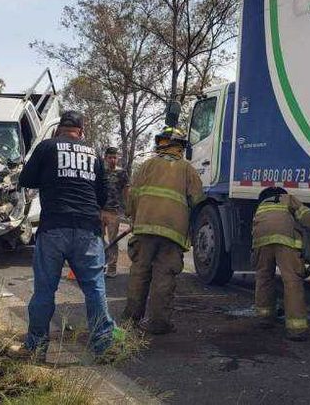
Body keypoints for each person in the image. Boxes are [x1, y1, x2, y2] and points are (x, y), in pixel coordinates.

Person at [13, 111, 117, 360]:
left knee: (44, 291)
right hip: (87, 231)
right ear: (80, 132)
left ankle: (36, 348)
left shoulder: (46, 147)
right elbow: (103, 196)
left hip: (53, 229)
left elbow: (26, 179)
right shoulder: (93, 153)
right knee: (94, 289)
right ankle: (104, 346)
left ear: (59, 129)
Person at [122, 126, 204, 335]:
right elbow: (198, 202)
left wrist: (134, 217)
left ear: (161, 144)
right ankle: (158, 323)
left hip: (144, 228)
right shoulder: (188, 170)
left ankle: (131, 318)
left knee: (140, 273)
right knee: (164, 276)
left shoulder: (147, 166)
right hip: (172, 233)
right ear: (180, 147)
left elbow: (132, 196)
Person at [252, 186, 310, 341]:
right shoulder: (287, 199)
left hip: (261, 241)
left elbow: (254, 230)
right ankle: (297, 330)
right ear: (280, 194)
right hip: (286, 241)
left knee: (264, 278)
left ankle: (264, 319)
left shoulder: (260, 207)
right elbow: (308, 216)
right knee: (292, 282)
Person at [101, 146, 130, 278]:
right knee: (98, 239)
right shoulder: (101, 172)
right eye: (110, 157)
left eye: (115, 157)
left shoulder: (122, 173)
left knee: (113, 240)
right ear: (105, 158)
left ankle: (112, 267)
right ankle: (100, 263)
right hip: (100, 210)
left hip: (114, 211)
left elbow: (126, 192)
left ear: (117, 158)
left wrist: (128, 208)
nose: (113, 160)